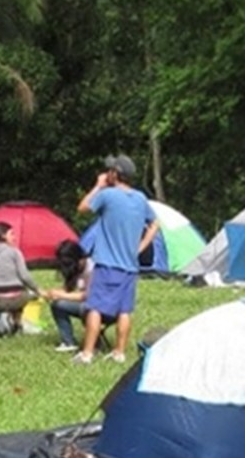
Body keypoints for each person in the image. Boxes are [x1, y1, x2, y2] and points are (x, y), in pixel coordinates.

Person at [73, 153, 159, 364]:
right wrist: (140, 247)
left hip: (107, 264)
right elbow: (155, 223)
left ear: (115, 174)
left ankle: (87, 353)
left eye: (110, 170)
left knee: (95, 308)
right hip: (130, 265)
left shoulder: (108, 195)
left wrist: (98, 186)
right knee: (124, 310)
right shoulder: (140, 198)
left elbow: (82, 208)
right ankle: (119, 352)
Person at [44, 240, 93, 352]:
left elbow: (88, 295)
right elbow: (68, 290)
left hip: (94, 305)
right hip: (84, 303)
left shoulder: (92, 268)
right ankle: (68, 341)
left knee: (60, 303)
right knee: (57, 305)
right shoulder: (75, 269)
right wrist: (54, 293)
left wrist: (62, 295)